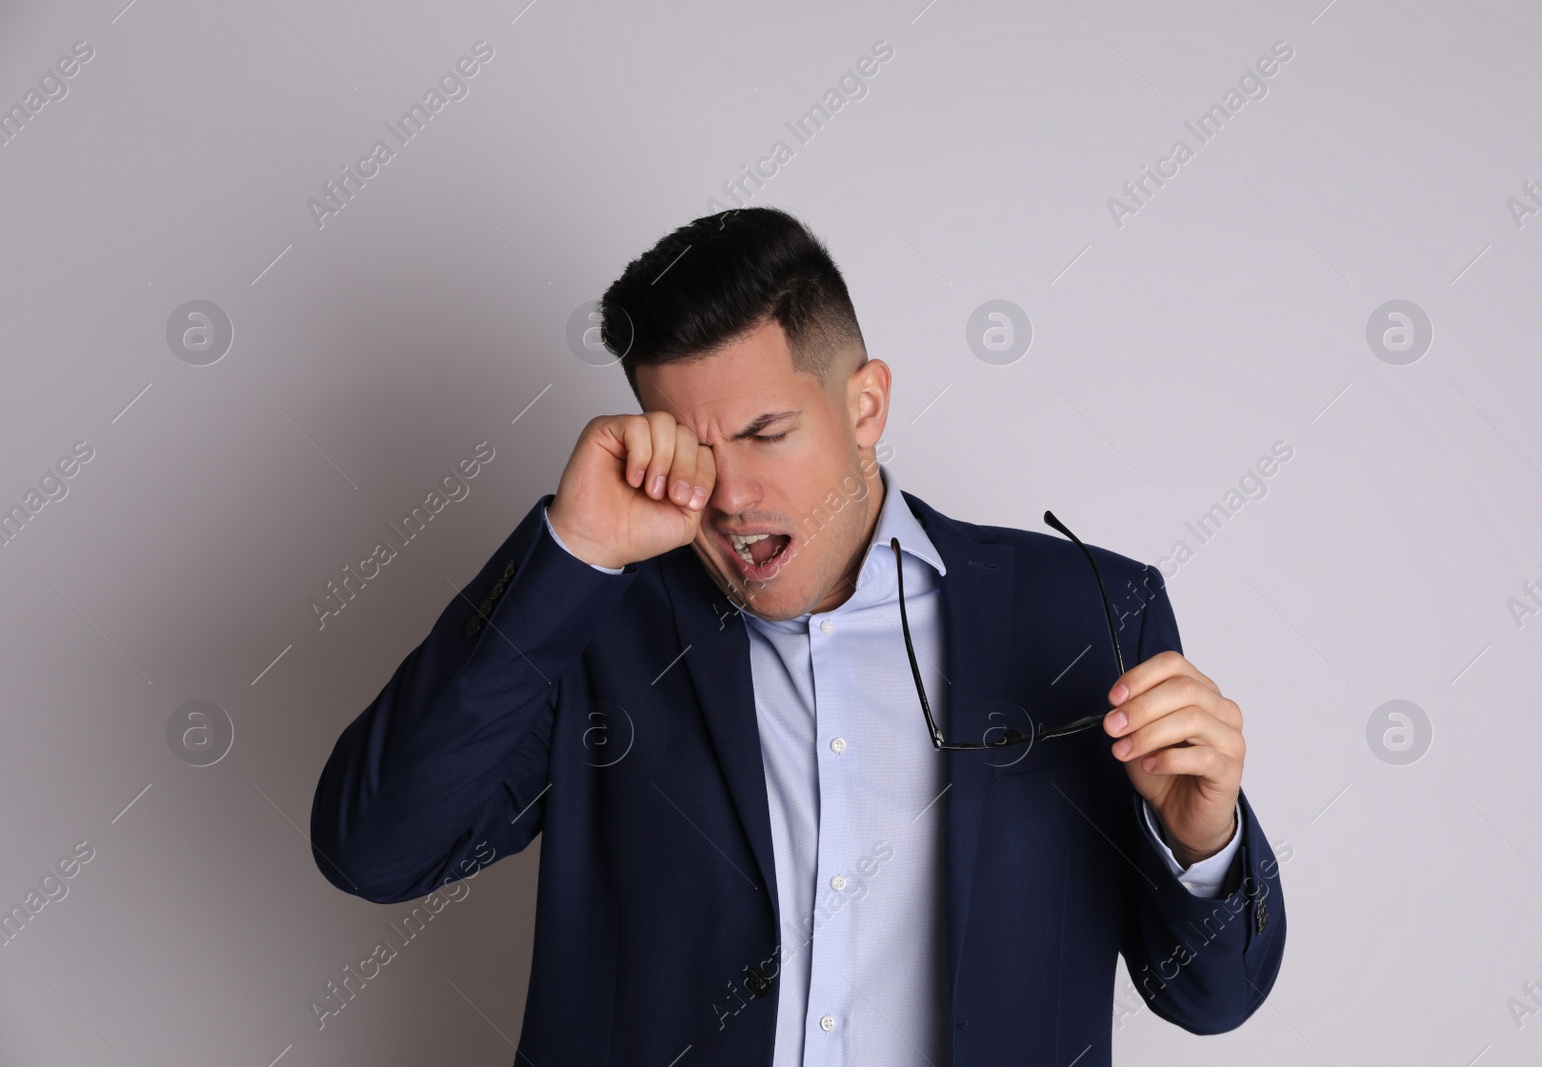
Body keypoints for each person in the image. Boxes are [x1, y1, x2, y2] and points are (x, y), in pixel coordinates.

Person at [309, 206, 1286, 1066]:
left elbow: (1212, 997)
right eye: (692, 445)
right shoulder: (596, 615)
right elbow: (376, 851)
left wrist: (1201, 838)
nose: (729, 496)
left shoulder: (1083, 610)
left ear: (864, 407)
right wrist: (573, 551)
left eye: (766, 433)